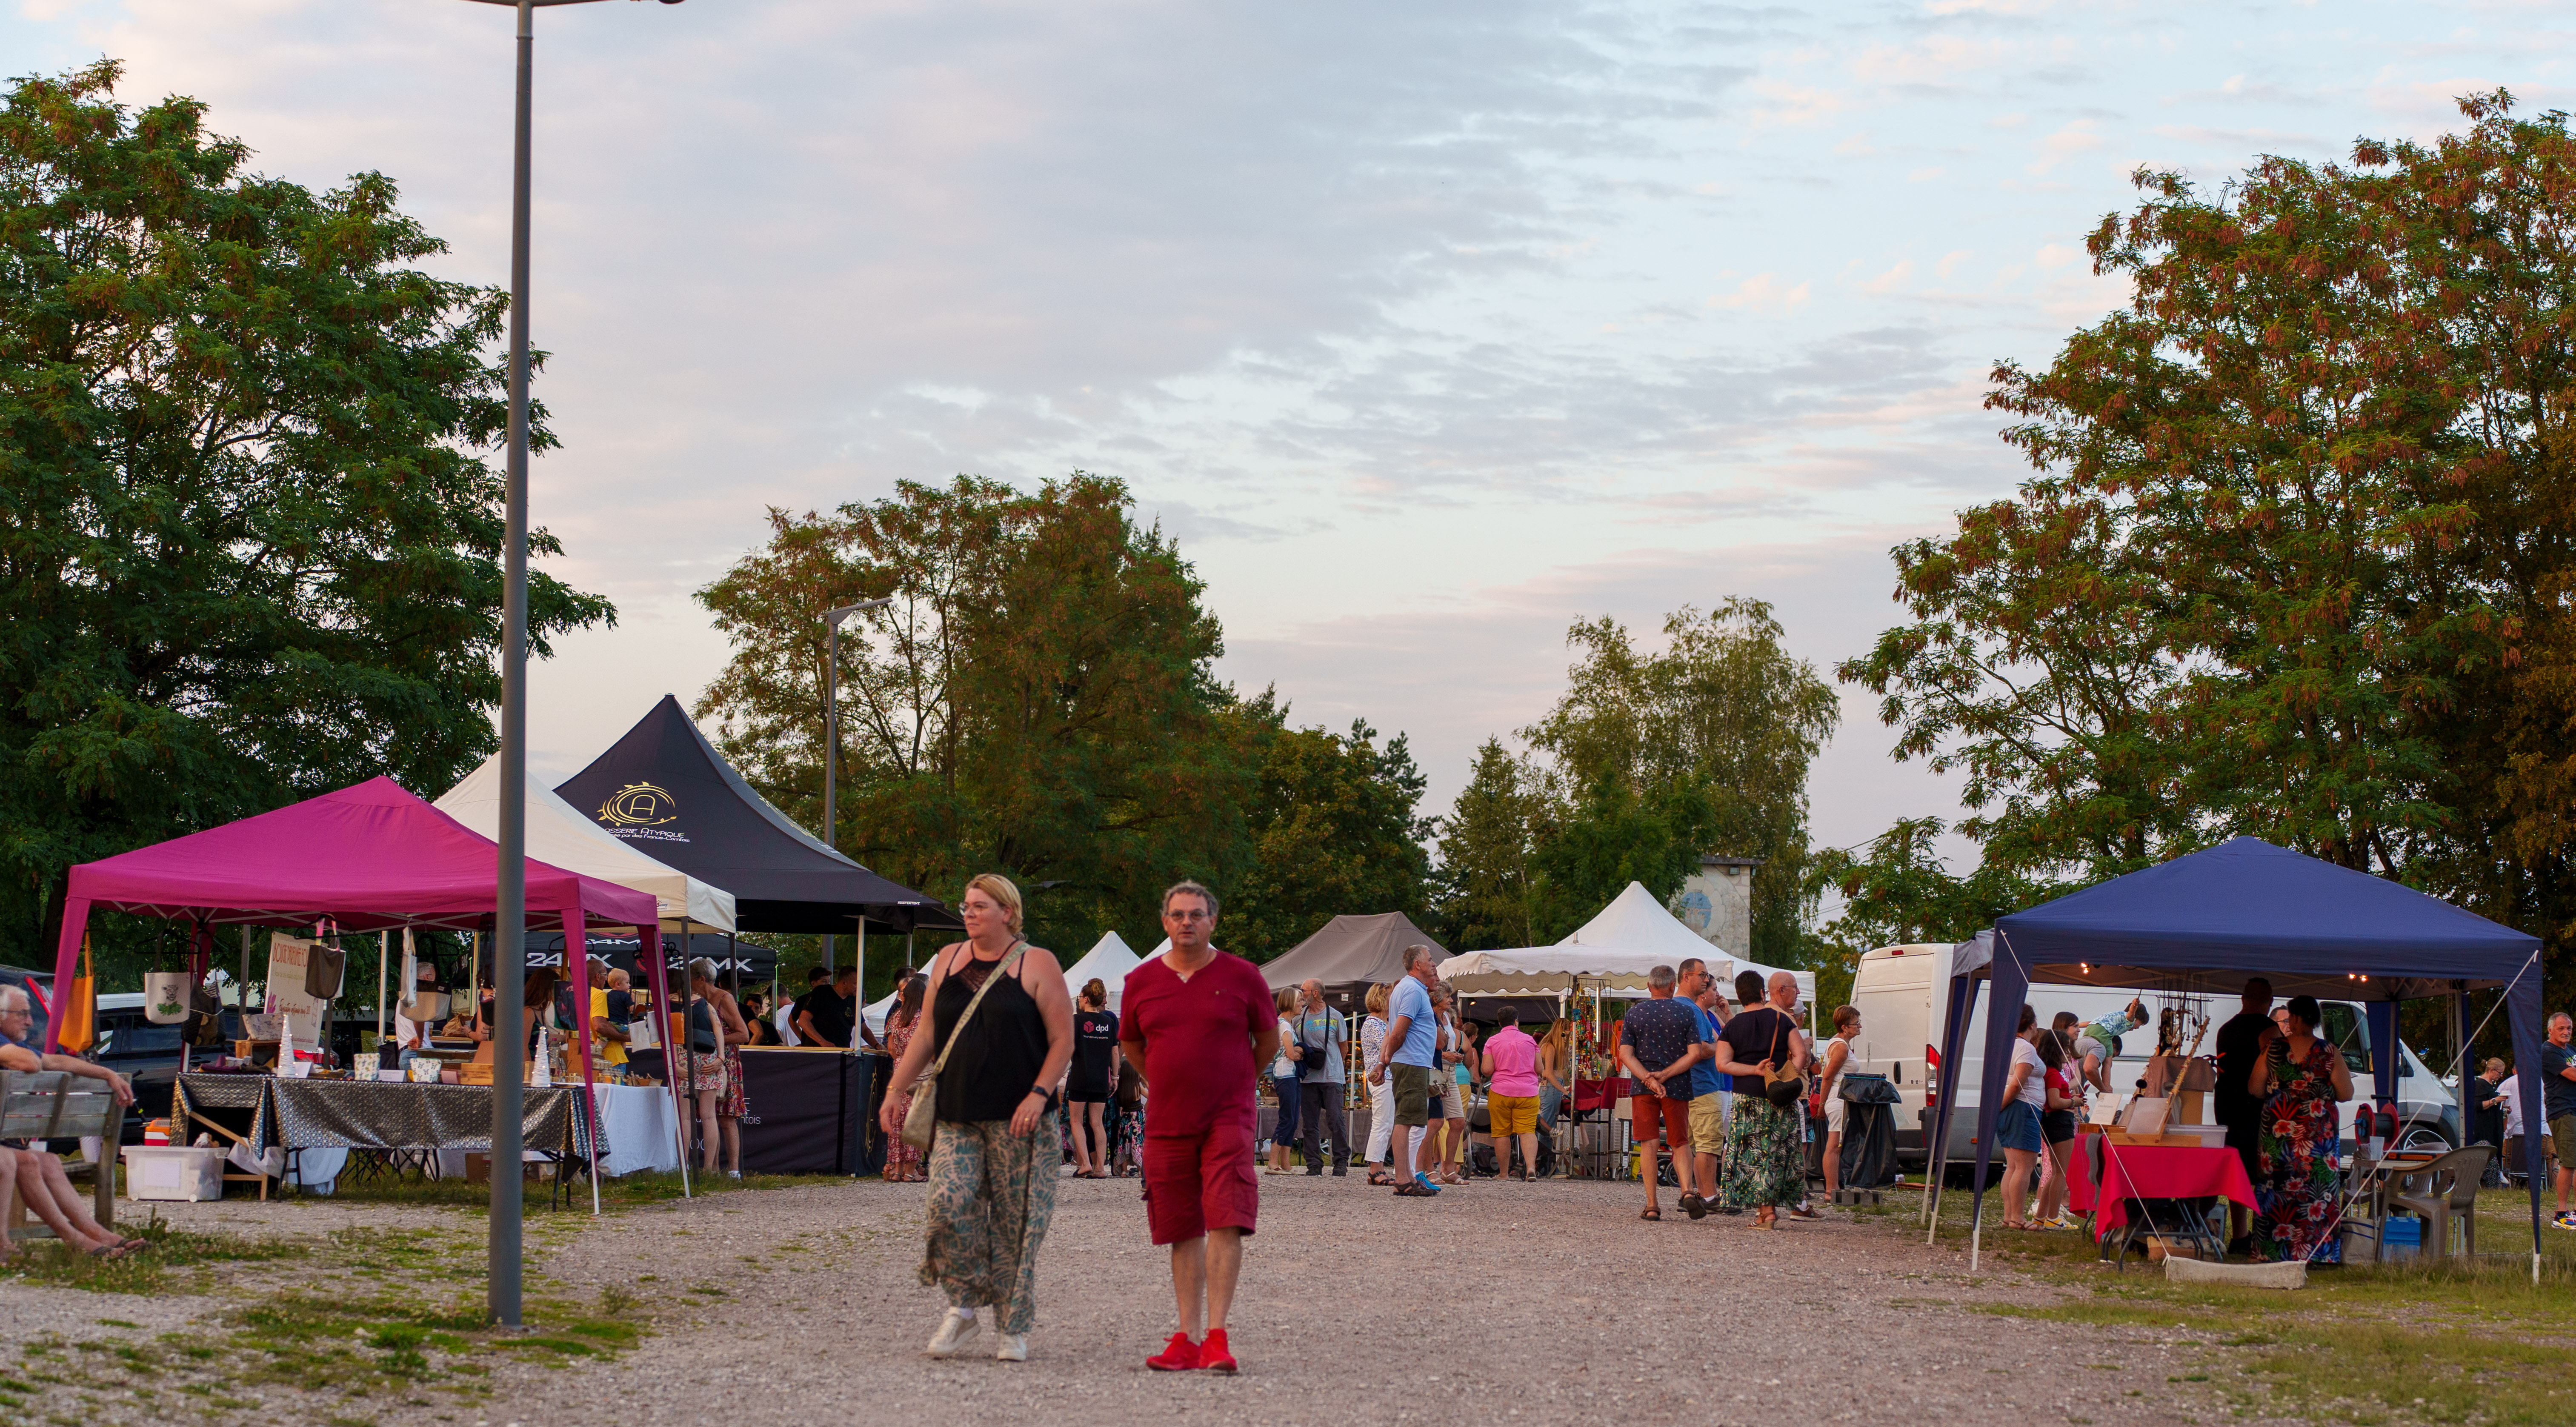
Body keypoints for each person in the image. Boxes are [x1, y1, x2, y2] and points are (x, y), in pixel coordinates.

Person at [878, 873, 1073, 1364]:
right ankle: (963, 1308)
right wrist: (896, 1088)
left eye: (979, 906)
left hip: (1022, 1120)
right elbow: (926, 1034)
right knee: (947, 1205)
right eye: (966, 905)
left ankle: (1012, 1325)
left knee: (1018, 1224)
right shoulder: (947, 959)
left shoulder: (1037, 963)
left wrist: (1038, 1093)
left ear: (1007, 912)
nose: (968, 913)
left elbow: (1062, 1041)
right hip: (957, 1112)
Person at [1120, 880, 1275, 1375]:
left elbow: (1267, 1041)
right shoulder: (1140, 981)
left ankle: (1216, 1337)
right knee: (1180, 1226)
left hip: (1228, 1117)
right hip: (1167, 1121)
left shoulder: (1243, 976)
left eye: (1196, 914)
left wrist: (1238, 1081)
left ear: (1213, 921)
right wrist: (1162, 1080)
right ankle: (1184, 1339)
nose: (1187, 922)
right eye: (1177, 914)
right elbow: (1131, 1045)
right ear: (1164, 922)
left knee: (1226, 1216)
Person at [0, 986, 148, 1259]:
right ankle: (69, 1239)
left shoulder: (9, 1045)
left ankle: (94, 1233)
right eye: (23, 1014)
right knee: (13, 1161)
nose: (30, 1022)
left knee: (49, 1162)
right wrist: (29, 1057)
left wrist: (106, 1074)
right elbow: (31, 1063)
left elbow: (51, 1060)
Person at [2247, 995, 2354, 1263]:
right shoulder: (2329, 1052)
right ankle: (2316, 1254)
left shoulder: (2271, 1050)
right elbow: (2346, 1093)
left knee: (2275, 1189)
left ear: (2294, 1018)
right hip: (2317, 1137)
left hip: (2277, 1137)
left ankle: (2271, 1252)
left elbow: (2254, 1088)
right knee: (2317, 1190)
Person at [1711, 971, 1809, 1230]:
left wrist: (1753, 1070)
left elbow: (1722, 1064)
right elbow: (1801, 1054)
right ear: (1763, 992)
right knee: (1777, 1153)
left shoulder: (1732, 1027)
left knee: (1753, 1155)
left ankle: (1765, 1213)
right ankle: (1769, 1209)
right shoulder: (1781, 1019)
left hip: (1747, 1100)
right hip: (1780, 1097)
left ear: (1740, 996)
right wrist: (1786, 1075)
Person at [1615, 963, 1705, 1222]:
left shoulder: (1635, 1013)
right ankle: (1687, 1191)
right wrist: (1665, 1076)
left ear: (1648, 986)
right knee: (1679, 1142)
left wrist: (1648, 1079)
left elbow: (1625, 1054)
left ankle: (1653, 1205)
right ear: (1671, 986)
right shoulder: (1685, 1012)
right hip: (1677, 1086)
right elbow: (1695, 1053)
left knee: (1649, 1143)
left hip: (1643, 1088)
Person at [2211, 977, 2277, 1252]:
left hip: (2226, 1102)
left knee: (2237, 1167)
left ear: (2242, 998)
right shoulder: (2267, 1029)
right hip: (2256, 1105)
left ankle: (2240, 1234)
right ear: (2269, 1003)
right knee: (2263, 1169)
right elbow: (2279, 1065)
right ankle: (2264, 1234)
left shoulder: (2226, 1029)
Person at [1372, 946, 1443, 1196]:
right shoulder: (1413, 990)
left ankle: (1408, 1176)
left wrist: (1384, 1062)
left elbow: (1394, 1029)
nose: (1433, 964)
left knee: (1410, 1120)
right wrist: (1387, 1059)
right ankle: (1403, 1179)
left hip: (1412, 1062)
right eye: (1430, 960)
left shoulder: (1408, 988)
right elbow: (1399, 1030)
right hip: (1411, 1062)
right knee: (1406, 1121)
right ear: (1417, 965)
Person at [689, 959, 753, 1178]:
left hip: (725, 1063)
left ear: (701, 979)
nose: (689, 986)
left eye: (691, 980)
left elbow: (744, 1034)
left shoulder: (724, 999)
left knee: (727, 1118)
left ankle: (734, 1170)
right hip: (705, 1064)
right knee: (710, 1116)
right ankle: (713, 1168)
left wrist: (716, 1041)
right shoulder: (696, 1001)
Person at [1673, 959, 1727, 1216]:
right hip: (1703, 1085)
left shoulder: (1675, 1006)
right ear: (1686, 977)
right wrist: (1723, 1048)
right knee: (1709, 1143)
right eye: (1703, 975)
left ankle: (1697, 1193)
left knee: (1693, 1144)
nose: (1707, 980)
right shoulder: (1692, 1010)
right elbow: (1702, 1049)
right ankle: (1710, 1196)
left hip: (1684, 1086)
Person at [1289, 979, 1348, 1177]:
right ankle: (1314, 1164)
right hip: (1308, 1078)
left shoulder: (1336, 1016)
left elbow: (1344, 1047)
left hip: (1332, 1077)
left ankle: (1341, 1161)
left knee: (1336, 1119)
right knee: (1309, 1123)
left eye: (1303, 991)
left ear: (1315, 993)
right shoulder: (1298, 1018)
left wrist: (1335, 1067)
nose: (1301, 994)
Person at [1996, 1017, 2048, 1230]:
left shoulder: (2007, 1045)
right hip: (2024, 1108)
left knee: (2013, 1167)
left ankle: (2009, 1217)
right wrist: (2000, 1107)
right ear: (2031, 1024)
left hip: (2013, 1108)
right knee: (2024, 1168)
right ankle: (2017, 1217)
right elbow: (2017, 1084)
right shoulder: (2026, 1048)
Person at [1478, 1007, 1543, 1181]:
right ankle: (1530, 1168)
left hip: (1501, 1092)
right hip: (1528, 1093)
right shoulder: (1530, 1041)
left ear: (1500, 1023)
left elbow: (1487, 1069)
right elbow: (1539, 1069)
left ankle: (1503, 1174)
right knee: (1527, 1132)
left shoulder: (1492, 1041)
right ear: (1516, 1021)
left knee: (1501, 1133)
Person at [1065, 979, 1119, 1180]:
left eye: (1080, 998)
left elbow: (1066, 1047)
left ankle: (1085, 1163)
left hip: (1080, 1076)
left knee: (1076, 1121)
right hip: (1100, 1079)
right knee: (1098, 1123)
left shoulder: (1076, 1021)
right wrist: (1115, 1077)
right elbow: (1115, 1053)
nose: (1079, 1001)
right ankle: (1100, 1168)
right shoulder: (1108, 1022)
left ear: (1086, 999)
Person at [2031, 1029, 2081, 1230]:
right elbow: (2054, 1101)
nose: (2068, 1053)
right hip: (2060, 1122)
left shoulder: (2049, 1071)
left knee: (2054, 1173)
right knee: (2061, 1172)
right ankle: (2053, 1217)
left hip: (2056, 1122)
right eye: (2065, 1049)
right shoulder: (2052, 1073)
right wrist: (2073, 1101)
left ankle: (2042, 1216)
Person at [881, 974, 929, 1183]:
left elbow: (891, 1048)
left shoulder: (895, 1018)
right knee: (916, 1121)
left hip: (900, 1070)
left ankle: (897, 1170)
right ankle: (911, 1172)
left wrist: (902, 1058)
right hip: (919, 1071)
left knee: (898, 1121)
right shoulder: (923, 1019)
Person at [1817, 1004, 1859, 1201]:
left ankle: (1832, 1189)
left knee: (1836, 1145)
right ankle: (1831, 1190)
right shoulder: (1841, 1047)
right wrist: (1821, 1104)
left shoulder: (1838, 1043)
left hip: (1839, 1098)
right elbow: (1827, 1077)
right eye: (1856, 1024)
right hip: (1838, 1098)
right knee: (1834, 1145)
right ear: (1844, 1027)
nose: (1859, 1026)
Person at [1359, 983, 1398, 1185]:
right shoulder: (1374, 1024)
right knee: (1382, 1123)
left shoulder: (1381, 1023)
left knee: (1386, 1123)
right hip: (1383, 1078)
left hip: (1387, 1078)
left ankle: (1379, 1166)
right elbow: (1390, 1046)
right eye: (1392, 996)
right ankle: (1375, 1169)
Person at [1432, 987, 1471, 1183]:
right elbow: (1424, 1044)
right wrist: (1444, 1055)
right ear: (1436, 998)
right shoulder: (1429, 1015)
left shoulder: (1447, 1017)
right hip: (1435, 1071)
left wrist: (1455, 1056)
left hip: (1451, 1073)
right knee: (1433, 1122)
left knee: (1458, 1122)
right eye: (1447, 997)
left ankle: (1448, 1169)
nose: (1451, 1000)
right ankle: (1427, 1169)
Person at [1264, 987, 1301, 1175]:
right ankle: (1272, 1162)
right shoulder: (1285, 1026)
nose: (1302, 1004)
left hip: (1290, 1076)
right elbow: (1291, 1054)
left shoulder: (1286, 1024)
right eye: (1300, 1000)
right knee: (1287, 1119)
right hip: (1286, 1075)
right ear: (1291, 1003)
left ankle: (1285, 1163)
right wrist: (1301, 1052)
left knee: (1293, 1119)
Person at [2079, 998, 2147, 1093]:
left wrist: (2077, 1026)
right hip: (2103, 1034)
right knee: (2108, 1062)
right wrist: (2134, 1006)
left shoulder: (2115, 1015)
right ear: (2137, 1018)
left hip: (2090, 1030)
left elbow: (2091, 1023)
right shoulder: (2129, 1019)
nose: (2138, 1028)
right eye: (2140, 1025)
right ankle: (2107, 1087)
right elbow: (2131, 1014)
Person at [2546, 1012, 2576, 1229]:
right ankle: (2561, 1214)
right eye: (2561, 1029)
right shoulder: (2548, 1051)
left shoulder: (2572, 1051)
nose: (2566, 1032)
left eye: (2569, 1028)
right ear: (2550, 1030)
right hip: (2563, 1111)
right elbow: (2573, 1075)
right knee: (2568, 1163)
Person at [582, 959, 630, 1084]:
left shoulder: (579, 995)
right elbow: (600, 1026)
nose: (606, 979)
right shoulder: (599, 995)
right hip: (611, 1059)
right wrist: (625, 1037)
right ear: (598, 977)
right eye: (605, 975)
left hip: (591, 1057)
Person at [795, 965, 857, 1049]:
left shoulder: (853, 1000)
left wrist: (876, 1045)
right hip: (818, 1052)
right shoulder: (814, 995)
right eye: (824, 982)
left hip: (841, 1052)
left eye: (829, 981)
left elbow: (863, 1027)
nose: (827, 984)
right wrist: (821, 1041)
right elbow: (800, 1020)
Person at [2470, 1056, 2509, 1187]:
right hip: (2484, 1127)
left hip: (2494, 1126)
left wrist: (2504, 1109)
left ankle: (2494, 1181)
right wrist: (2496, 1100)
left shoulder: (2491, 1085)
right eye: (2500, 1073)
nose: (2501, 1076)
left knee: (2495, 1152)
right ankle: (2490, 1181)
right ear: (2491, 1070)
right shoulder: (2480, 1085)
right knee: (2488, 1153)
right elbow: (2477, 1106)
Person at [1535, 1017, 1572, 1144]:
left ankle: (1542, 1159)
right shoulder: (1550, 1047)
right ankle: (1543, 1160)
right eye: (1564, 1036)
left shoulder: (1546, 1046)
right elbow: (1550, 1074)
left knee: (1545, 1126)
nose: (1565, 1039)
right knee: (1547, 1129)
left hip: (1549, 1088)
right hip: (1552, 1089)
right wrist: (1565, 1092)